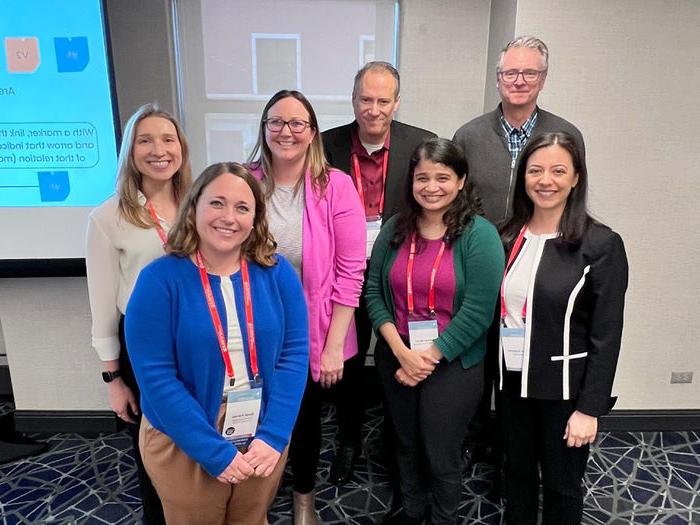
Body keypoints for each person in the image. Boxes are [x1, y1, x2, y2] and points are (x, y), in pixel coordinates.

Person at [124, 162, 309, 525]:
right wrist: (211, 451)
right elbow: (156, 378)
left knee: (252, 519)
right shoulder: (159, 280)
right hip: (185, 434)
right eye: (217, 203)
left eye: (243, 208)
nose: (229, 217)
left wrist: (274, 435)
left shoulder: (278, 272)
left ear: (256, 219)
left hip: (262, 426)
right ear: (193, 208)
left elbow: (293, 356)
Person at [452, 35, 586, 471]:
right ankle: (480, 437)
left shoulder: (564, 135)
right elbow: (458, 205)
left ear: (543, 79)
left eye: (530, 72)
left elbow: (574, 197)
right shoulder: (469, 135)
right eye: (511, 72)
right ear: (498, 79)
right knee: (481, 357)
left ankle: (520, 450)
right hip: (483, 270)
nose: (519, 80)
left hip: (542, 272)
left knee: (530, 359)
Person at [365, 138, 504, 524]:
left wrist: (425, 358)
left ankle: (444, 518)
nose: (431, 186)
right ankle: (411, 512)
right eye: (422, 177)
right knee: (405, 444)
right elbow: (374, 292)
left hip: (454, 363)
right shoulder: (395, 228)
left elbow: (479, 310)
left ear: (460, 181)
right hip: (397, 356)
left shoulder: (480, 235)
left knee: (441, 451)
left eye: (442, 177)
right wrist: (400, 351)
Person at [247, 90, 366, 524]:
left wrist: (334, 346)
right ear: (264, 129)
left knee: (304, 417)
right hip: (255, 327)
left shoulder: (335, 185)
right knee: (252, 414)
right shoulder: (245, 181)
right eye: (276, 122)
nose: (286, 131)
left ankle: (303, 498)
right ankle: (254, 496)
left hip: (312, 329)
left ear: (312, 132)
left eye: (298, 123)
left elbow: (351, 273)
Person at [498, 132, 628, 524]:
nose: (545, 180)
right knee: (515, 480)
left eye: (558, 171)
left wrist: (589, 409)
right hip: (511, 387)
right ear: (523, 177)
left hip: (566, 396)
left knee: (561, 486)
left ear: (575, 178)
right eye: (535, 170)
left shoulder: (600, 244)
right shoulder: (506, 236)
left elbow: (607, 336)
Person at [322, 61, 436, 486]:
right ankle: (349, 440)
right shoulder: (324, 146)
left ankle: (397, 441)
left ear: (397, 103)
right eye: (365, 99)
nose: (373, 109)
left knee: (395, 358)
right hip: (342, 274)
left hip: (398, 275)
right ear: (353, 100)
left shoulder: (421, 144)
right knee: (348, 363)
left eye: (382, 100)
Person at [86, 102, 192, 525]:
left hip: (203, 338)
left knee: (204, 443)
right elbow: (102, 307)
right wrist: (114, 380)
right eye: (145, 140)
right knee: (156, 452)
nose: (158, 149)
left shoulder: (200, 203)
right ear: (130, 151)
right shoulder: (107, 217)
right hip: (146, 348)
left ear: (181, 147)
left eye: (167, 139)